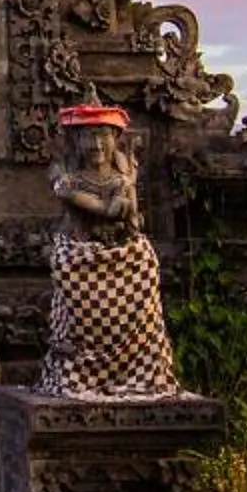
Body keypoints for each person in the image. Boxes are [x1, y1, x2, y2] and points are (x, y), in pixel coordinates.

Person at [39, 103, 184, 400]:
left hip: (124, 257)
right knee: (70, 275)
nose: (96, 144)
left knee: (145, 266)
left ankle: (139, 366)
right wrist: (80, 195)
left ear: (116, 138)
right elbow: (67, 191)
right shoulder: (67, 175)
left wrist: (91, 198)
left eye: (104, 135)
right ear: (75, 140)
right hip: (80, 257)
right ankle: (80, 369)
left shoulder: (120, 178)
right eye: (88, 136)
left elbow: (117, 211)